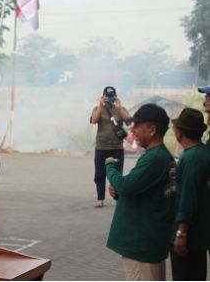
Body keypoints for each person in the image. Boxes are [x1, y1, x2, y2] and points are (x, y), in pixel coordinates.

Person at [105, 103, 175, 281]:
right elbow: (137, 189)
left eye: (137, 125)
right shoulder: (160, 156)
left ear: (151, 129)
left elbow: (126, 186)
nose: (132, 129)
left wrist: (110, 168)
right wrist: (121, 191)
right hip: (150, 243)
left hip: (141, 245)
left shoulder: (155, 158)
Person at [169, 108, 210, 280]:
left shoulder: (191, 158)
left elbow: (187, 197)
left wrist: (181, 233)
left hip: (190, 237)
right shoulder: (202, 152)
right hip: (200, 234)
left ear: (179, 132)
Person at [90, 86, 130, 207]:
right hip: (101, 146)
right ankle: (100, 198)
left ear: (115, 96)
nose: (110, 98)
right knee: (99, 174)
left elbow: (129, 121)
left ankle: (118, 198)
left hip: (117, 147)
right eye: (107, 96)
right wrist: (101, 105)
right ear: (103, 96)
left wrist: (119, 107)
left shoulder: (120, 109)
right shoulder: (97, 108)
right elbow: (94, 120)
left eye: (112, 96)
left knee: (117, 174)